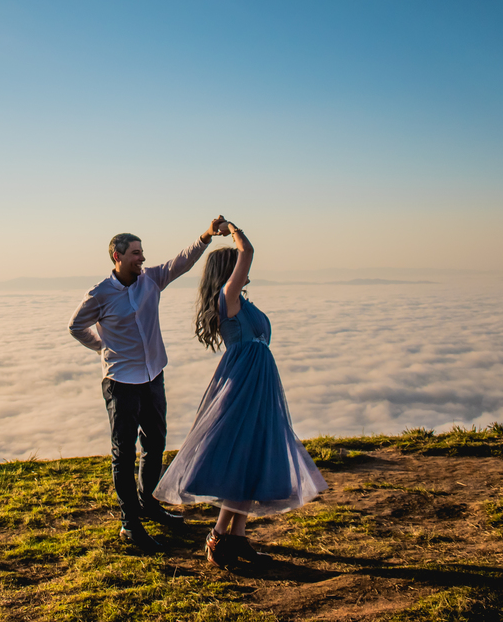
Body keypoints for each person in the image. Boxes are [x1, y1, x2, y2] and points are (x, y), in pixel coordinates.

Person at [154, 220, 327, 567]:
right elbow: (248, 252)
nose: (245, 270)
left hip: (259, 383)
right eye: (237, 267)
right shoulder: (227, 298)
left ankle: (238, 537)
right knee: (243, 456)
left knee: (255, 457)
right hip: (243, 385)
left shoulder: (241, 301)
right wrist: (233, 229)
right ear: (228, 272)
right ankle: (218, 537)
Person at [68, 218, 227, 552]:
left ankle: (148, 503)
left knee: (155, 443)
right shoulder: (99, 294)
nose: (142, 258)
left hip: (153, 375)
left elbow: (181, 262)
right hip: (120, 382)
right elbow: (75, 326)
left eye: (142, 252)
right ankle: (130, 523)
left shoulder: (152, 279)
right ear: (117, 256)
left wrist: (206, 235)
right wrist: (102, 347)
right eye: (136, 253)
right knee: (123, 454)